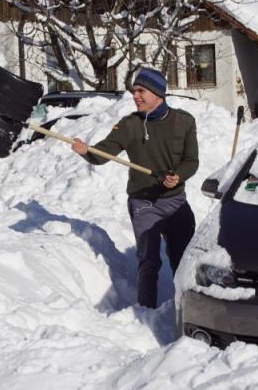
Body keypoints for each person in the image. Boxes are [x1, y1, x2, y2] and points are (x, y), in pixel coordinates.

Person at [71, 68, 198, 308]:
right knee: (148, 261)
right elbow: (104, 151)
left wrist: (178, 176)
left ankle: (187, 312)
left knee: (183, 261)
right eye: (134, 91)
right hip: (144, 203)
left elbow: (191, 161)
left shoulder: (184, 122)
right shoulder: (130, 125)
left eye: (141, 91)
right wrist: (86, 151)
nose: (135, 95)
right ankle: (146, 313)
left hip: (176, 202)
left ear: (158, 93)